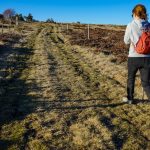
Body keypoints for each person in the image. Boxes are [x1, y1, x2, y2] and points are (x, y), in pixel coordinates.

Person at [123, 4, 150, 104]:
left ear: (134, 13)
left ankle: (130, 99)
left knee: (131, 78)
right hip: (147, 57)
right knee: (146, 83)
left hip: (133, 57)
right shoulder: (149, 25)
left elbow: (126, 41)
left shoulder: (131, 25)